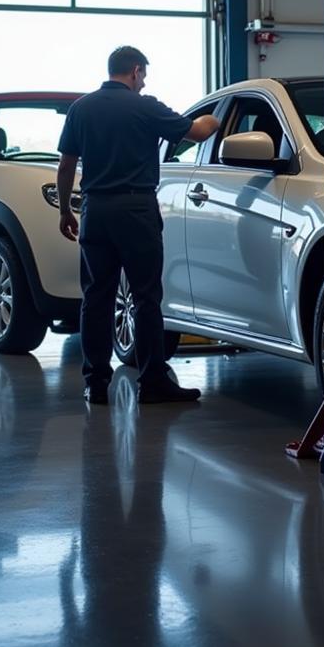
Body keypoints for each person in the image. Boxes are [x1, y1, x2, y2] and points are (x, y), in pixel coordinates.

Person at [56, 46, 220, 405]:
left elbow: (66, 166)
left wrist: (66, 210)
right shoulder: (146, 106)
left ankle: (95, 383)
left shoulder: (80, 109)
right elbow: (197, 132)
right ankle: (153, 382)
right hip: (136, 209)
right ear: (135, 70)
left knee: (96, 297)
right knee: (146, 297)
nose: (144, 83)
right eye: (143, 76)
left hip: (95, 210)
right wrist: (216, 118)